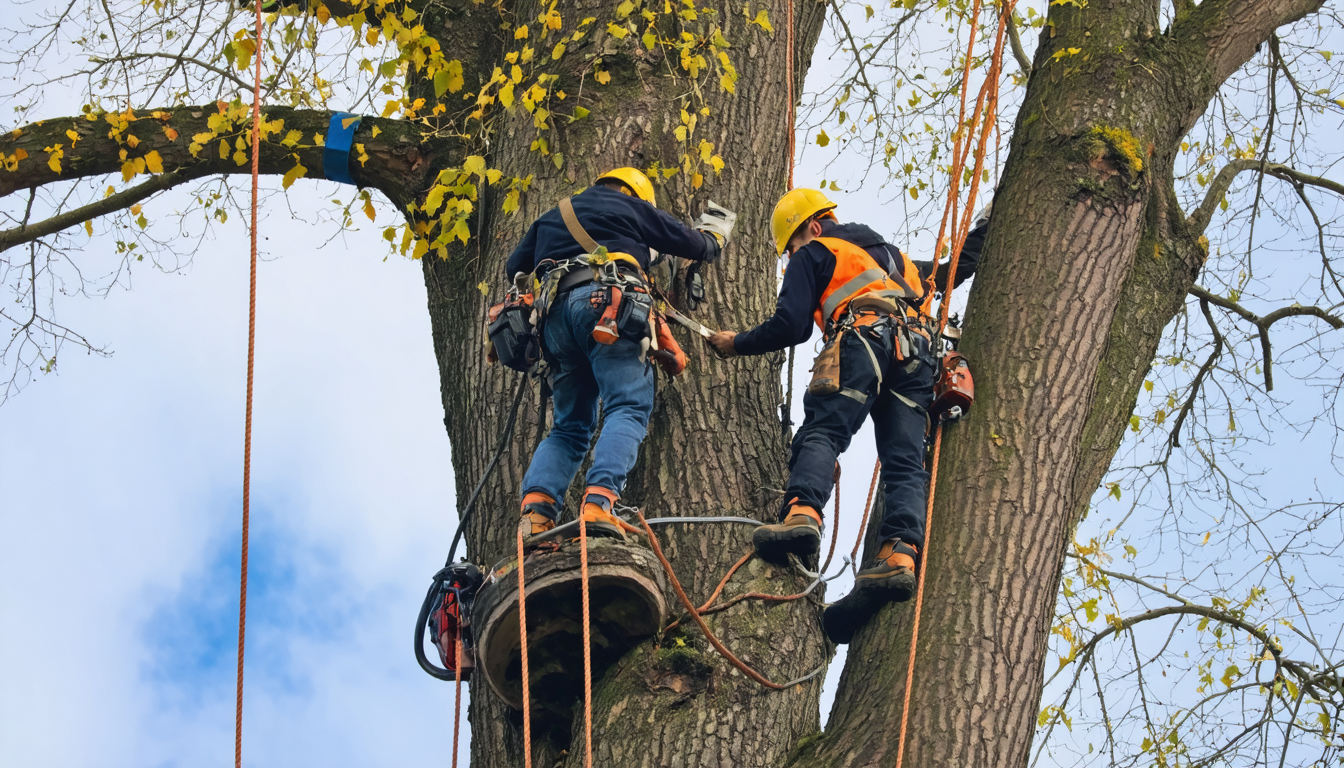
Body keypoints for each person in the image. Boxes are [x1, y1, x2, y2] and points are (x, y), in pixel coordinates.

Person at [707, 188, 987, 643]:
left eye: (792, 247)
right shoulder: (894, 259)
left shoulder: (815, 252)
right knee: (904, 462)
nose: (792, 257)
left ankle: (803, 514)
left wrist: (735, 342)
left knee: (824, 430)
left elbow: (792, 324)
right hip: (918, 356)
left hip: (863, 339)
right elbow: (955, 269)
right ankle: (899, 555)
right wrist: (984, 228)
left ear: (812, 228)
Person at [509, 167, 735, 542]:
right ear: (636, 194)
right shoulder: (631, 207)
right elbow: (694, 245)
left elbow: (513, 268)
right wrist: (713, 236)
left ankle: (536, 515)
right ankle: (598, 504)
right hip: (605, 307)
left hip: (554, 325)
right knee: (627, 406)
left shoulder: (552, 215)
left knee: (568, 428)